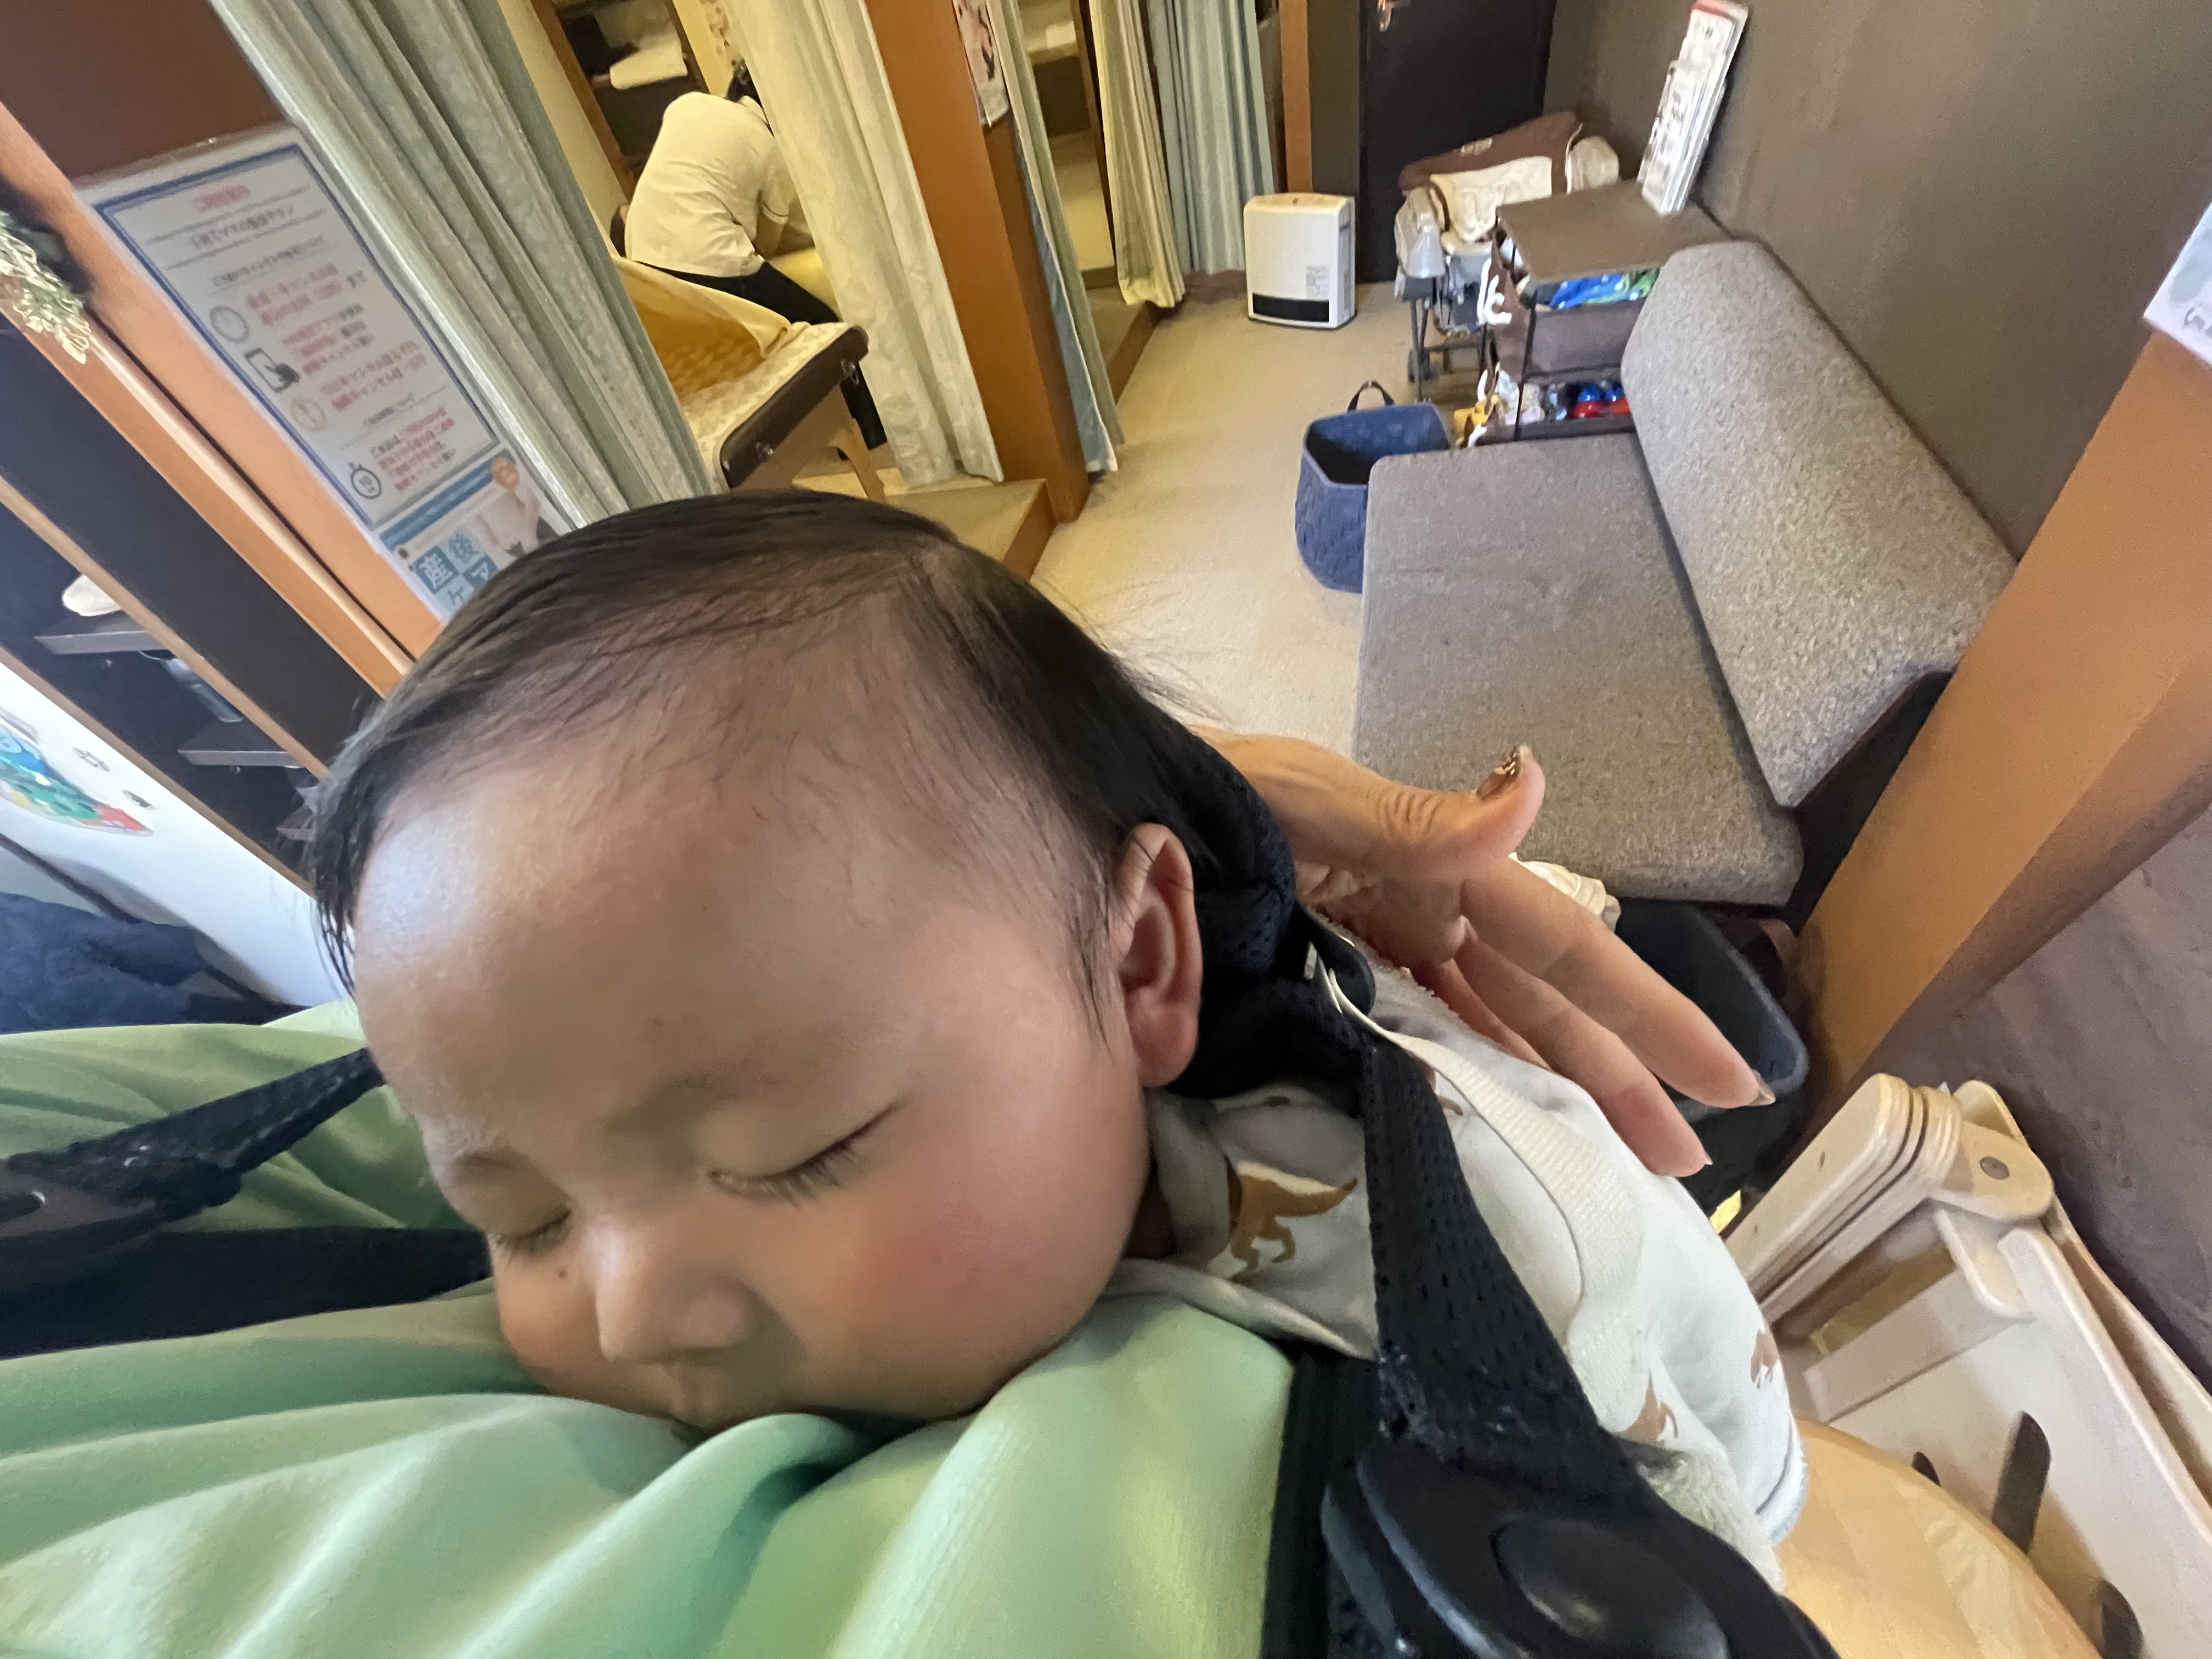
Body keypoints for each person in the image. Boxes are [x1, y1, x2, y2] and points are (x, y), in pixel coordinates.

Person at [308, 490, 1800, 1571]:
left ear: (1144, 961)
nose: (633, 1315)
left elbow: (1681, 1571)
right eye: (521, 1215)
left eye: (787, 1153)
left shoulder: (1459, 1268)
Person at [626, 68, 885, 450]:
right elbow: (768, 243)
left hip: (643, 262)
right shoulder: (770, 148)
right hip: (708, 257)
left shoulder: (686, 105)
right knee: (822, 324)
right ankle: (869, 432)